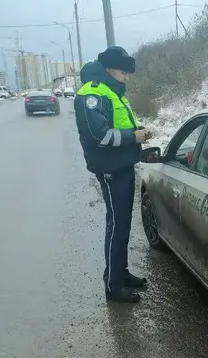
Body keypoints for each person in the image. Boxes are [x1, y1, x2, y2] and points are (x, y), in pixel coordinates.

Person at [74, 46, 149, 303]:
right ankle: (113, 285)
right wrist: (134, 136)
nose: (127, 76)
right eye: (123, 71)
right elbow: (99, 135)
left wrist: (139, 132)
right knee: (116, 226)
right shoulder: (92, 93)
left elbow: (120, 125)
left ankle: (121, 272)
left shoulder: (113, 90)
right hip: (110, 168)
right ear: (109, 69)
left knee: (124, 225)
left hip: (123, 164)